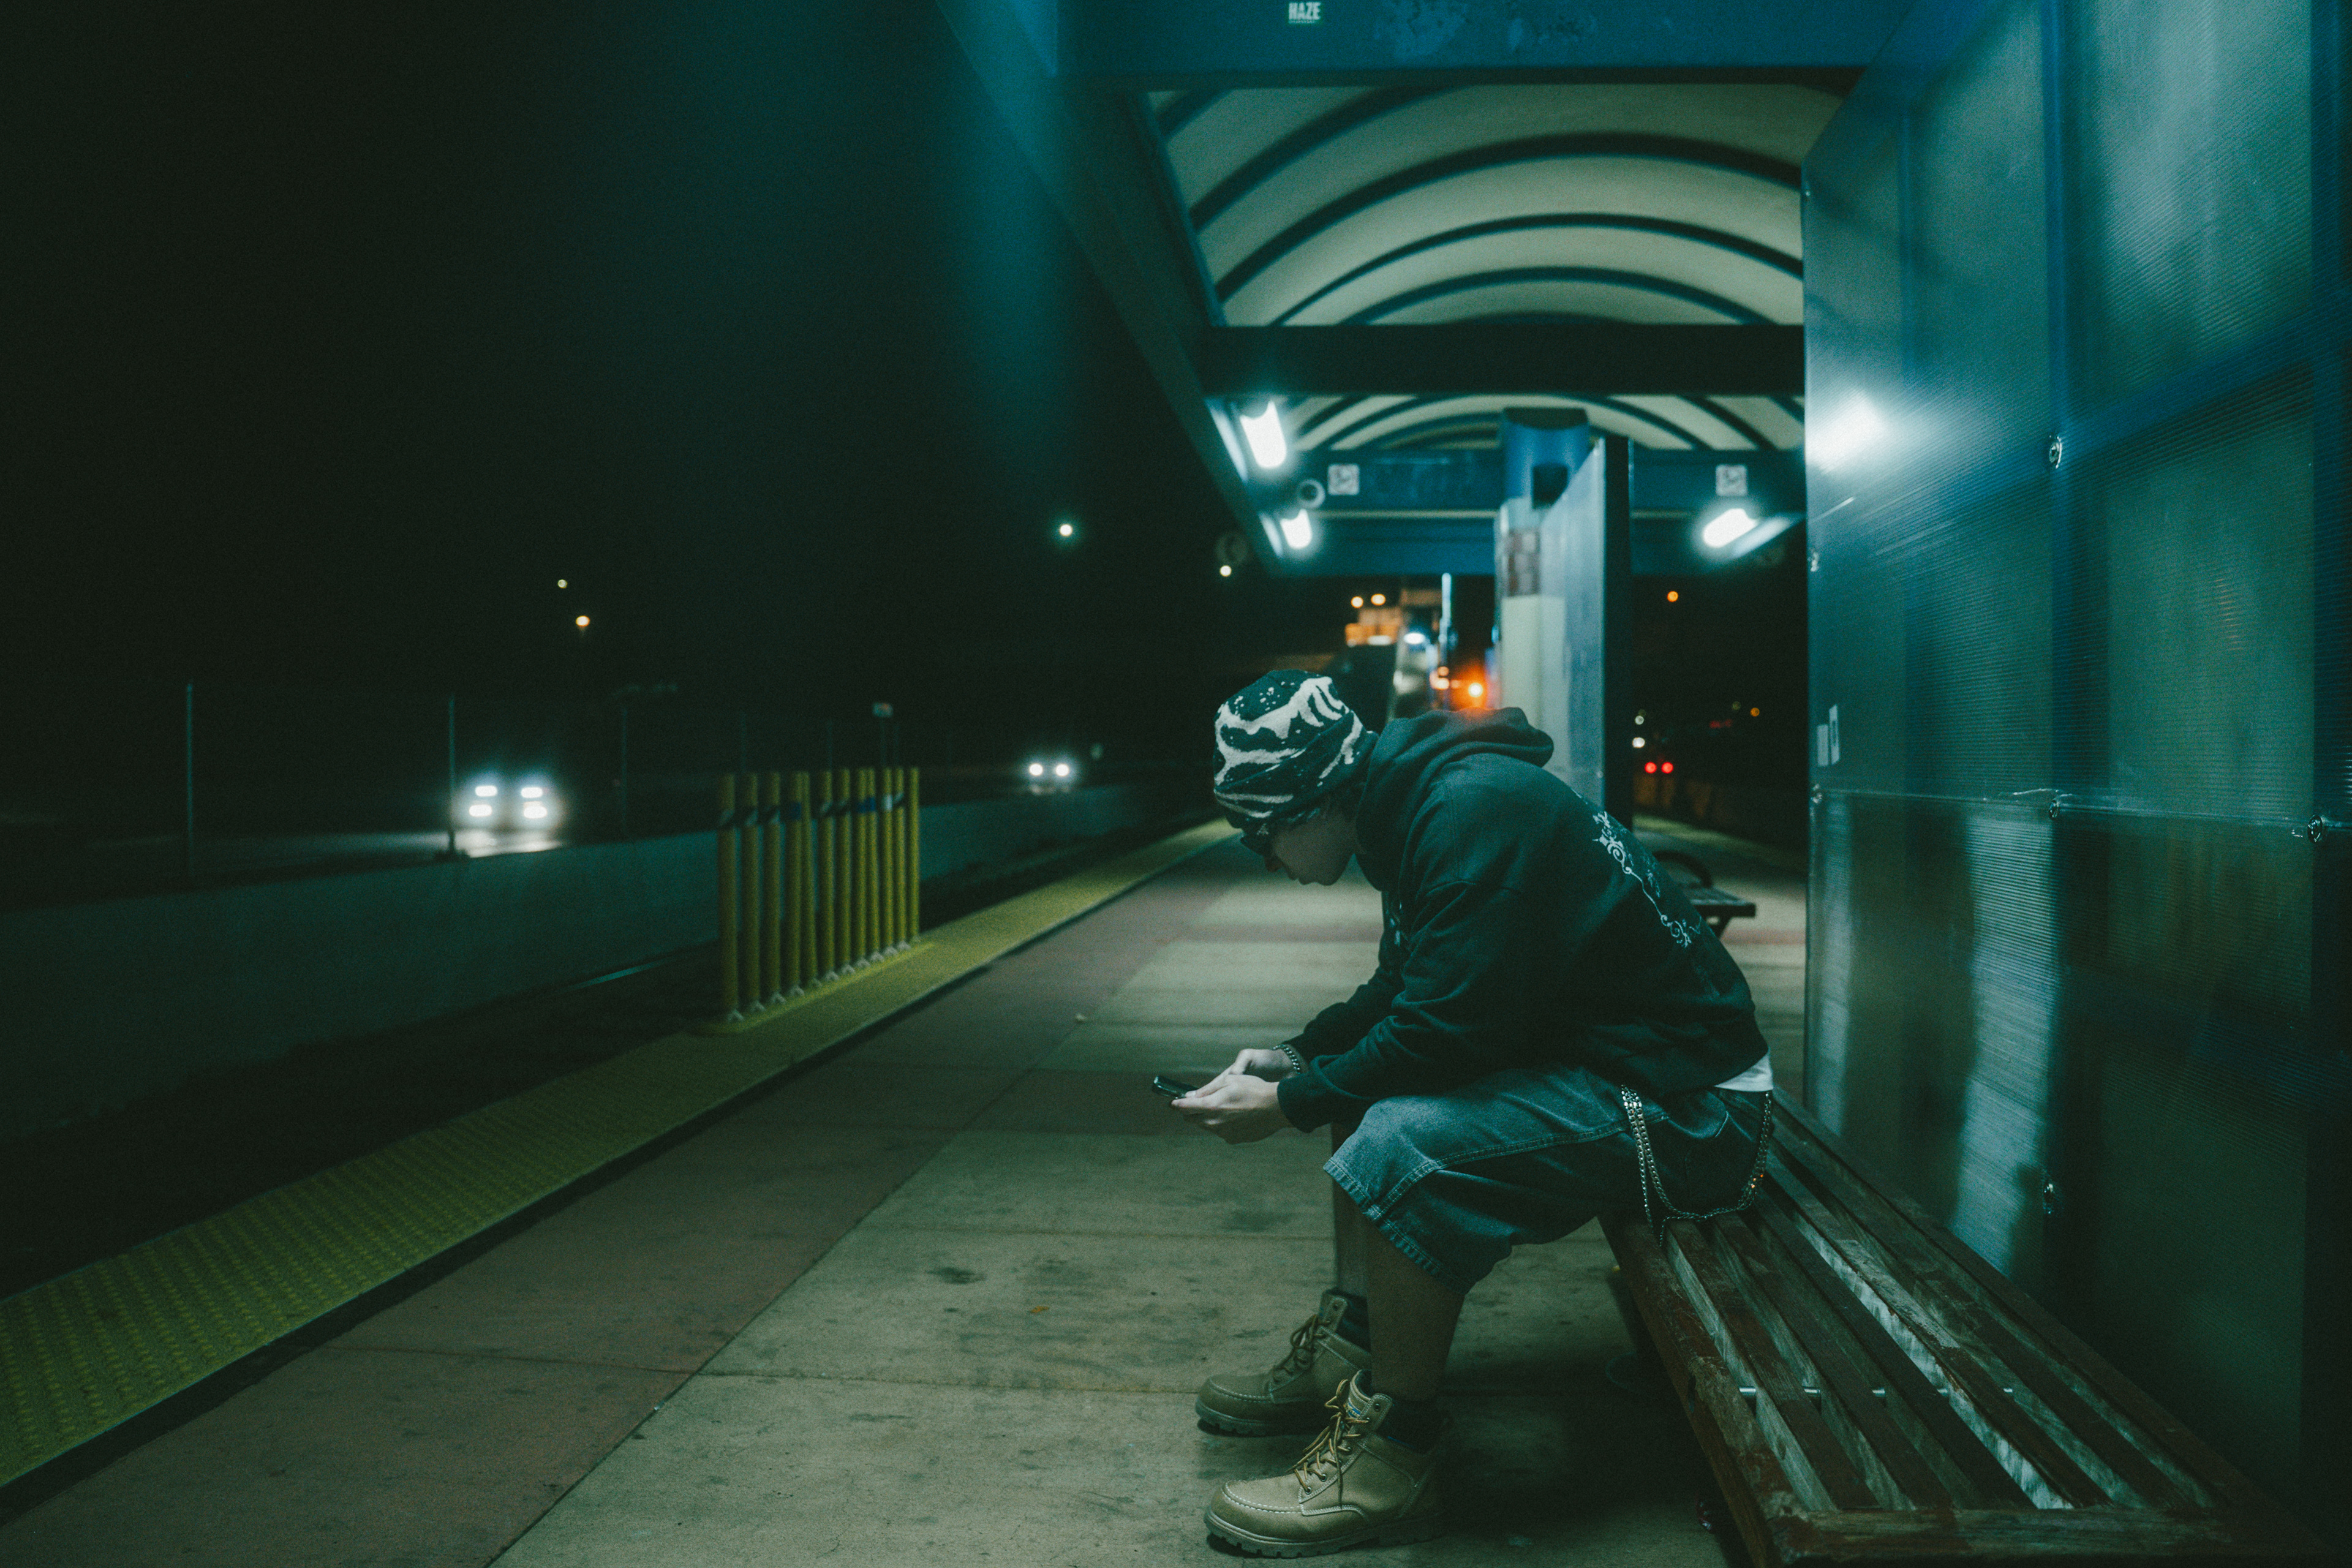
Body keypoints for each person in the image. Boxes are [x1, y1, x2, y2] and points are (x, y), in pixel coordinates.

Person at [1174, 671, 1774, 1558]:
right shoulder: (1414, 807)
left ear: (1313, 804)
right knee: (1358, 1090)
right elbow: (1405, 989)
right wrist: (1299, 1058)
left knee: (1402, 1149)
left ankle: (1395, 1464)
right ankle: (1354, 1352)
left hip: (1694, 1111)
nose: (1265, 858)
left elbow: (1447, 1033)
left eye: (1261, 836)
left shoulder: (1466, 813)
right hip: (1626, 1071)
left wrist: (1291, 1103)